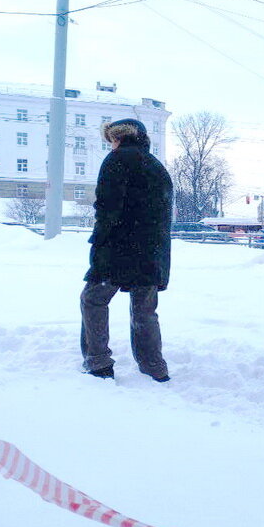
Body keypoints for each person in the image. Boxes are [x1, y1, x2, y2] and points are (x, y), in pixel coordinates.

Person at [80, 118, 173, 382]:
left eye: (112, 140)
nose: (111, 146)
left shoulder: (116, 160)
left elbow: (107, 207)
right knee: (144, 310)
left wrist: (99, 242)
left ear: (118, 138)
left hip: (119, 249)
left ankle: (98, 362)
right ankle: (155, 367)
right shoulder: (157, 167)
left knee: (93, 299)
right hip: (152, 252)